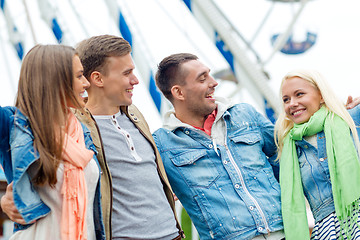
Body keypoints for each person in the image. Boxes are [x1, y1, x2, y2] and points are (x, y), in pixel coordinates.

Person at [152, 53, 284, 240]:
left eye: (210, 75)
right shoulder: (161, 145)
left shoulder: (245, 115)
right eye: (202, 78)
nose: (214, 83)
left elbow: (288, 160)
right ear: (178, 92)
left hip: (287, 231)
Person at [74, 35, 184, 240]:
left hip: (173, 235)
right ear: (98, 79)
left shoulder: (134, 114)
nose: (135, 80)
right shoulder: (74, 127)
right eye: (127, 73)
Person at [0, 44, 105, 240]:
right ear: (56, 80)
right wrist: (2, 201)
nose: (86, 83)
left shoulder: (81, 132)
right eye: (79, 76)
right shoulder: (13, 126)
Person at [274, 69, 360, 239]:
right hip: (328, 232)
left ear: (321, 95)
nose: (292, 103)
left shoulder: (350, 120)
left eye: (299, 94)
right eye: (286, 99)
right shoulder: (288, 150)